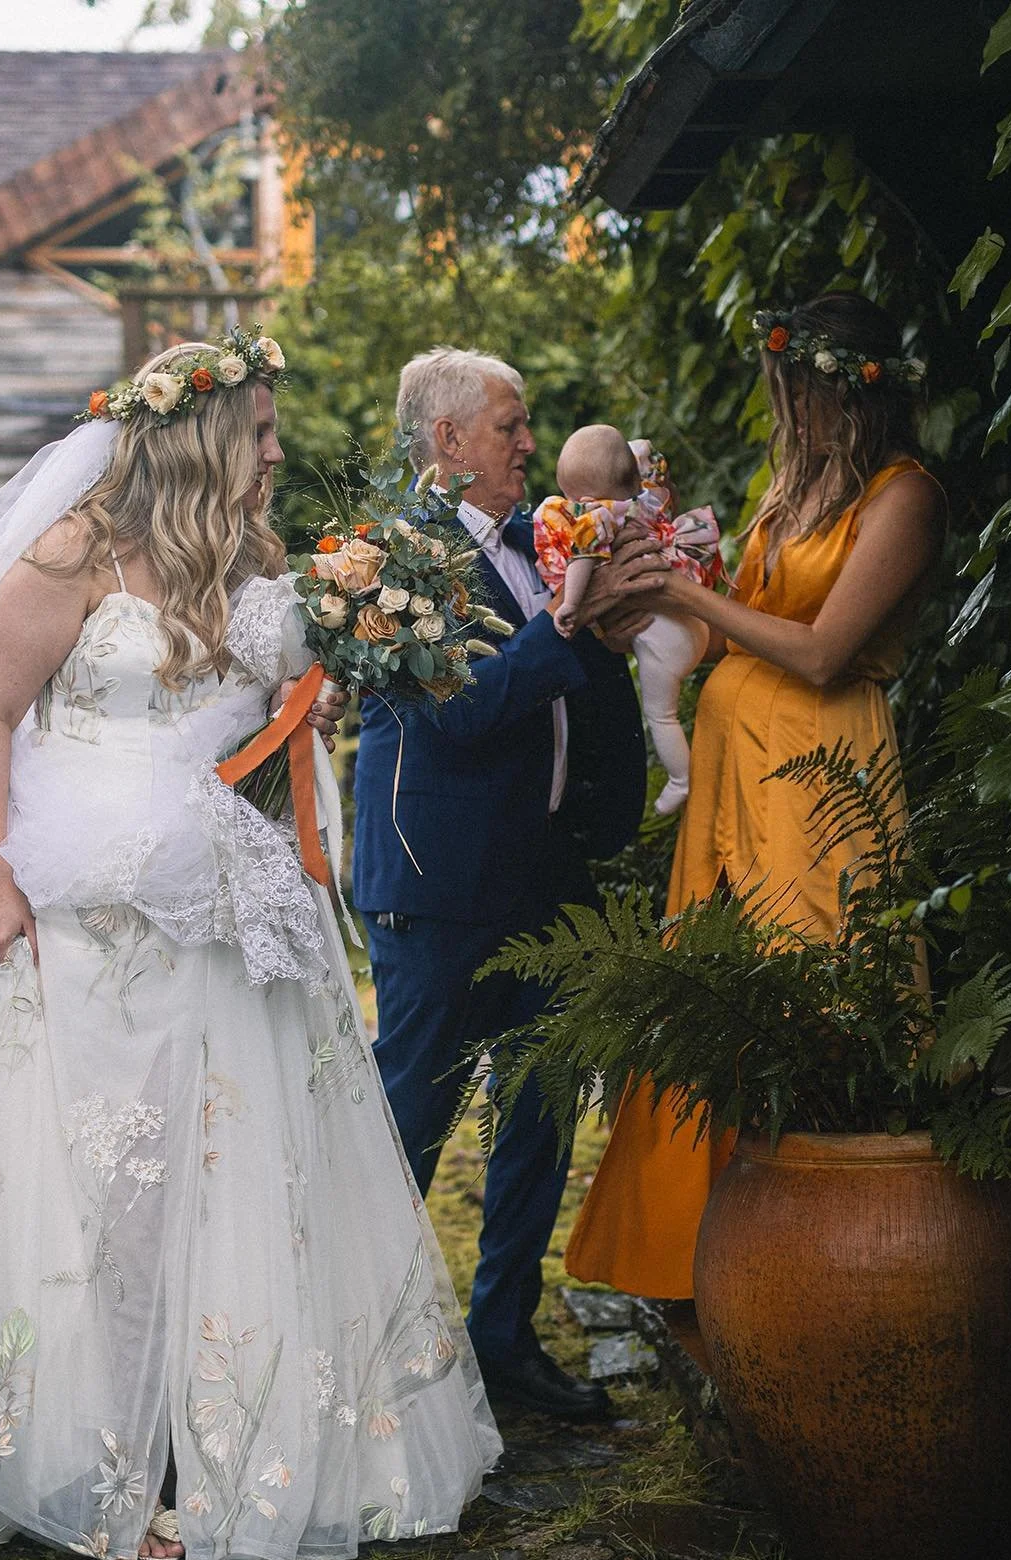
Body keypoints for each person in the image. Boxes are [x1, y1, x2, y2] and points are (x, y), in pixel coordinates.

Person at [0, 332, 501, 1560]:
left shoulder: (256, 560)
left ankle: (225, 1439)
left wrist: (309, 699)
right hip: (87, 911)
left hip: (225, 909)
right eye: (265, 434)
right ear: (200, 440)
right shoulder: (72, 551)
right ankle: (87, 1451)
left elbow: (255, 725)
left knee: (231, 1176)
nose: (280, 453)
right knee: (98, 1197)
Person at [565, 293, 946, 1300]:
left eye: (801, 395)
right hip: (735, 767)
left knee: (811, 973)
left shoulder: (904, 497)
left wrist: (691, 593)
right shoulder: (794, 484)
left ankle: (821, 1263)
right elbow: (740, 630)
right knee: (716, 988)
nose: (790, 415)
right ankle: (699, 1259)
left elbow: (822, 653)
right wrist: (658, 598)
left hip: (823, 768)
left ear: (847, 391)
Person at [352, 347, 648, 1422]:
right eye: (512, 427)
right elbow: (464, 716)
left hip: (547, 876)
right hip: (438, 888)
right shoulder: (390, 558)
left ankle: (505, 1339)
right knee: (411, 1120)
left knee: (537, 1118)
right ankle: (350, 1343)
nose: (531, 444)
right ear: (449, 442)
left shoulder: (536, 542)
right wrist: (566, 623)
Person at [533, 425, 723, 817]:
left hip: (663, 640)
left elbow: (585, 559)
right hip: (696, 627)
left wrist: (570, 603)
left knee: (661, 715)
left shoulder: (597, 518)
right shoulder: (649, 502)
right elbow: (652, 465)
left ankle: (681, 780)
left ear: (580, 497)